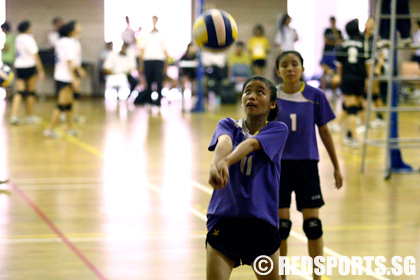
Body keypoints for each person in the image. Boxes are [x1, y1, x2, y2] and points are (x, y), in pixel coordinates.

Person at [206, 75, 288, 280]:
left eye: (260, 92)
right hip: (225, 219)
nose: (251, 96)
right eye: (247, 91)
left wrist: (227, 162)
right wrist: (216, 163)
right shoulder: (228, 125)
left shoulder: (278, 129)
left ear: (272, 104)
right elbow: (223, 142)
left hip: (260, 223)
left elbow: (250, 145)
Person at [274, 51, 343, 280]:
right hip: (279, 167)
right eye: (285, 65)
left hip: (307, 166)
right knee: (281, 228)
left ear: (303, 69)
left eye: (295, 64)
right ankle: (280, 277)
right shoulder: (271, 97)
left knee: (313, 225)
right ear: (278, 71)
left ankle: (317, 277)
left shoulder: (315, 95)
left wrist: (336, 166)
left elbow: (324, 131)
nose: (290, 68)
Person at [335, 19, 372, 148]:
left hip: (348, 78)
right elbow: (367, 63)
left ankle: (353, 137)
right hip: (360, 78)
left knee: (352, 108)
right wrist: (368, 78)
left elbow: (339, 65)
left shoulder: (343, 44)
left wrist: (339, 77)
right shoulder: (364, 43)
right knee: (354, 106)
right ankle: (350, 135)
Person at [43, 21, 81, 138]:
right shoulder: (69, 43)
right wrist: (75, 78)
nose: (79, 27)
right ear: (71, 30)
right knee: (61, 105)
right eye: (77, 26)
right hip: (66, 77)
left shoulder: (60, 42)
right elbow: (69, 62)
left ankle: (70, 128)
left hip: (60, 75)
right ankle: (49, 129)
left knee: (68, 104)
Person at [10, 21, 45, 125]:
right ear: (28, 28)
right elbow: (35, 55)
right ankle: (29, 116)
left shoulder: (18, 38)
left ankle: (14, 115)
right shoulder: (29, 39)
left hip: (19, 66)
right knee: (31, 92)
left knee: (19, 92)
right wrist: (40, 70)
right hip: (29, 66)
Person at [138, 16, 168, 107]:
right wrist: (141, 64)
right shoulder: (146, 36)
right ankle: (149, 100)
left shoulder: (162, 35)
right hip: (148, 61)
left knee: (159, 81)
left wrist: (167, 64)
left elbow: (165, 50)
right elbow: (142, 50)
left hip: (158, 61)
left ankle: (159, 100)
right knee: (149, 81)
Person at [320, 16, 342, 108]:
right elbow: (323, 64)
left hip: (336, 71)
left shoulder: (338, 32)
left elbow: (339, 40)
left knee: (335, 80)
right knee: (324, 76)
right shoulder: (327, 30)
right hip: (327, 53)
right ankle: (323, 96)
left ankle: (334, 98)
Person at [1, 22, 16, 99]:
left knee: (6, 78)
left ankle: (8, 95)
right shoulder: (10, 36)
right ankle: (8, 95)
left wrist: (1, 48)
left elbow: (6, 48)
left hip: (8, 60)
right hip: (9, 59)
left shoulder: (9, 37)